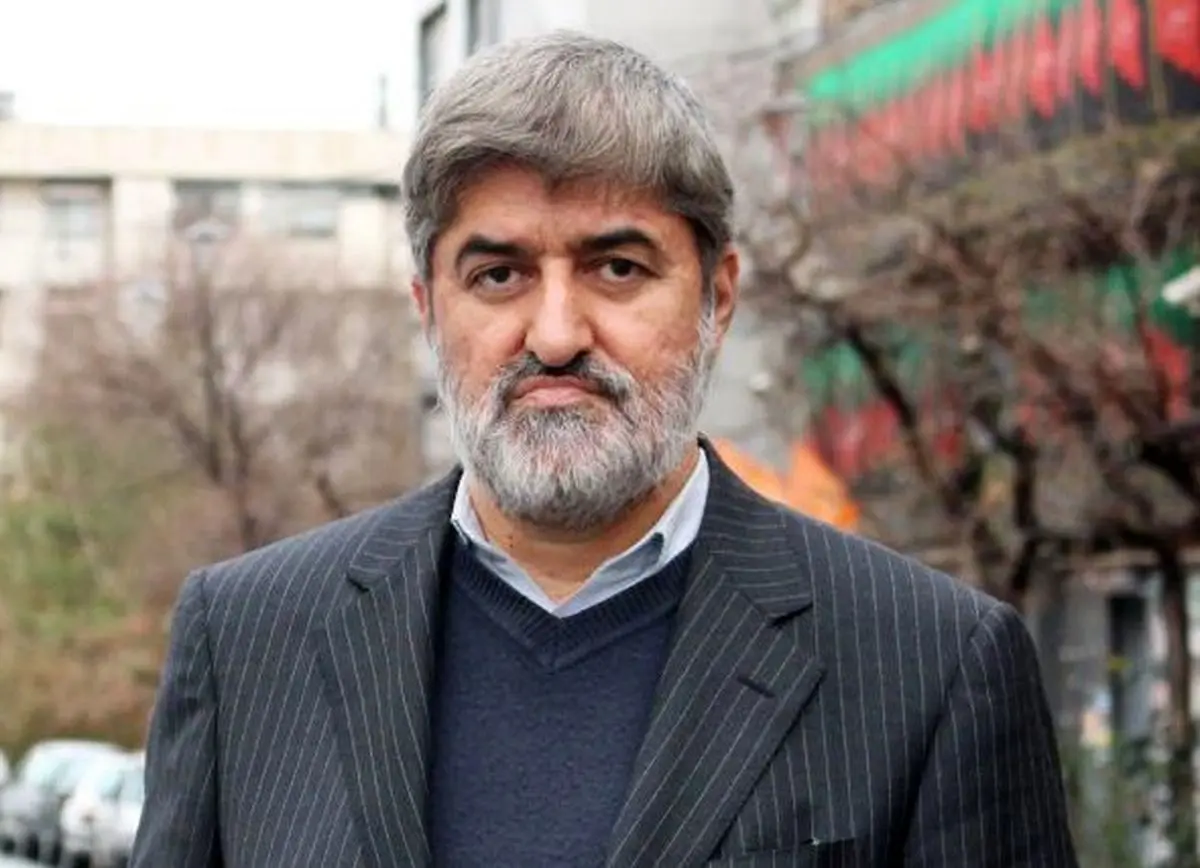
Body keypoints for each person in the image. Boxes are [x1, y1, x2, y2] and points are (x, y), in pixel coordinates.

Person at [132, 31, 1078, 868]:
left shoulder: (930, 664)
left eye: (616, 268)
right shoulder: (249, 643)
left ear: (717, 298)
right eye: (498, 274)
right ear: (427, 307)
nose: (555, 335)